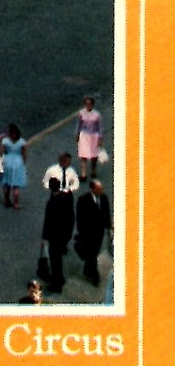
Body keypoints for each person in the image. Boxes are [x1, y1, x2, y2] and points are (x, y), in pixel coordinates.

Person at [40, 152, 79, 293]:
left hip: (54, 236)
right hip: (60, 233)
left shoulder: (52, 203)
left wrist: (45, 237)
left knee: (55, 260)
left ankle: (57, 283)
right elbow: (68, 218)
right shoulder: (63, 201)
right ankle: (59, 278)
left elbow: (48, 221)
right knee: (57, 260)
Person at [75, 177, 110, 287]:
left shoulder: (104, 198)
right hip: (88, 233)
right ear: (92, 189)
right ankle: (95, 276)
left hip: (99, 233)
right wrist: (81, 232)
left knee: (94, 253)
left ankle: (87, 270)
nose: (101, 191)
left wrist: (108, 226)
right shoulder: (83, 200)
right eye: (99, 189)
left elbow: (106, 213)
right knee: (92, 255)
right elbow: (80, 218)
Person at [75, 95, 104, 181]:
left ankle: (93, 171)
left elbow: (100, 127)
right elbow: (79, 124)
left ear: (92, 104)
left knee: (93, 156)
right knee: (83, 155)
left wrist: (100, 138)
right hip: (84, 136)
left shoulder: (97, 115)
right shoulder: (81, 113)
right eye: (86, 104)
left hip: (93, 137)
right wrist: (77, 134)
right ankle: (83, 174)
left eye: (90, 104)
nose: (88, 105)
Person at [0, 123, 27, 209]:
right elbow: (24, 155)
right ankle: (16, 203)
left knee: (6, 183)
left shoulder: (5, 141)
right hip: (18, 163)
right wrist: (23, 164)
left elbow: (1, 154)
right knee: (15, 185)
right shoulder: (22, 142)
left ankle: (6, 200)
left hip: (7, 162)